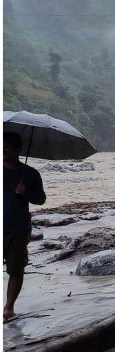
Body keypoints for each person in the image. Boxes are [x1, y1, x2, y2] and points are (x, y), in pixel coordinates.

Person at [3, 132, 46, 322]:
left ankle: (9, 308)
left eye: (7, 148)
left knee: (16, 268)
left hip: (19, 228)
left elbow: (41, 199)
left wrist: (25, 192)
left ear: (18, 149)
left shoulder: (30, 174)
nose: (3, 152)